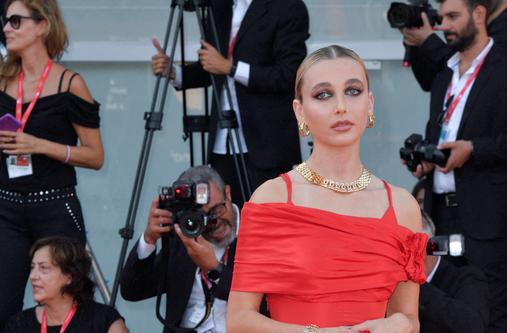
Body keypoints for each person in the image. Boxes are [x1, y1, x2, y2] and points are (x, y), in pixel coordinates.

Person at [226, 45, 427, 333]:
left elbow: (409, 318)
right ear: (300, 111)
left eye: (353, 91)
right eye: (323, 94)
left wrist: (398, 324)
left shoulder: (403, 207)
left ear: (370, 104)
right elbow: (239, 321)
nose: (341, 106)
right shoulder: (273, 199)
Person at [409, 0, 507, 332]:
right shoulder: (445, 75)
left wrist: (473, 150)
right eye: (441, 17)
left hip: (492, 218)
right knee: (446, 315)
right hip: (442, 214)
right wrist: (427, 162)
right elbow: (442, 135)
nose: (444, 24)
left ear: (478, 15)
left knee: (495, 317)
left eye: (453, 16)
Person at [0, 0, 104, 329]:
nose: (6, 28)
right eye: (5, 21)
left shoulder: (69, 84)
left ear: (42, 26)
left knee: (69, 303)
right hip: (7, 208)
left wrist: (40, 145)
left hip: (55, 205)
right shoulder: (2, 82)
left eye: (15, 21)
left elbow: (95, 156)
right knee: (3, 305)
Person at [151, 0, 310, 207]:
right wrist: (174, 73)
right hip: (222, 140)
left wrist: (231, 68)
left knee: (265, 222)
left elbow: (290, 74)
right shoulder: (219, 7)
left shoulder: (287, 6)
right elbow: (211, 67)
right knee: (221, 218)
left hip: (266, 143)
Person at [120, 165, 239, 333]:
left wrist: (215, 270)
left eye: (217, 210)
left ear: (228, 193)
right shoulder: (184, 237)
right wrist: (149, 239)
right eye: (203, 216)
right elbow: (132, 290)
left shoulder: (257, 232)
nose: (214, 221)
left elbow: (267, 302)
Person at [402, 0, 507, 91]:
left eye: (452, 16)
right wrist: (415, 42)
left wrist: (428, 41)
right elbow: (432, 81)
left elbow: (479, 72)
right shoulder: (477, 25)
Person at [3, 236, 128, 333]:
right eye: (32, 267)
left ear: (69, 276)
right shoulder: (19, 325)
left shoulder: (103, 320)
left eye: (43, 268)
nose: (33, 276)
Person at [412, 180, 489, 333]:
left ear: (429, 244)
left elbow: (473, 327)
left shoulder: (466, 279)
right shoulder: (391, 283)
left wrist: (416, 286)